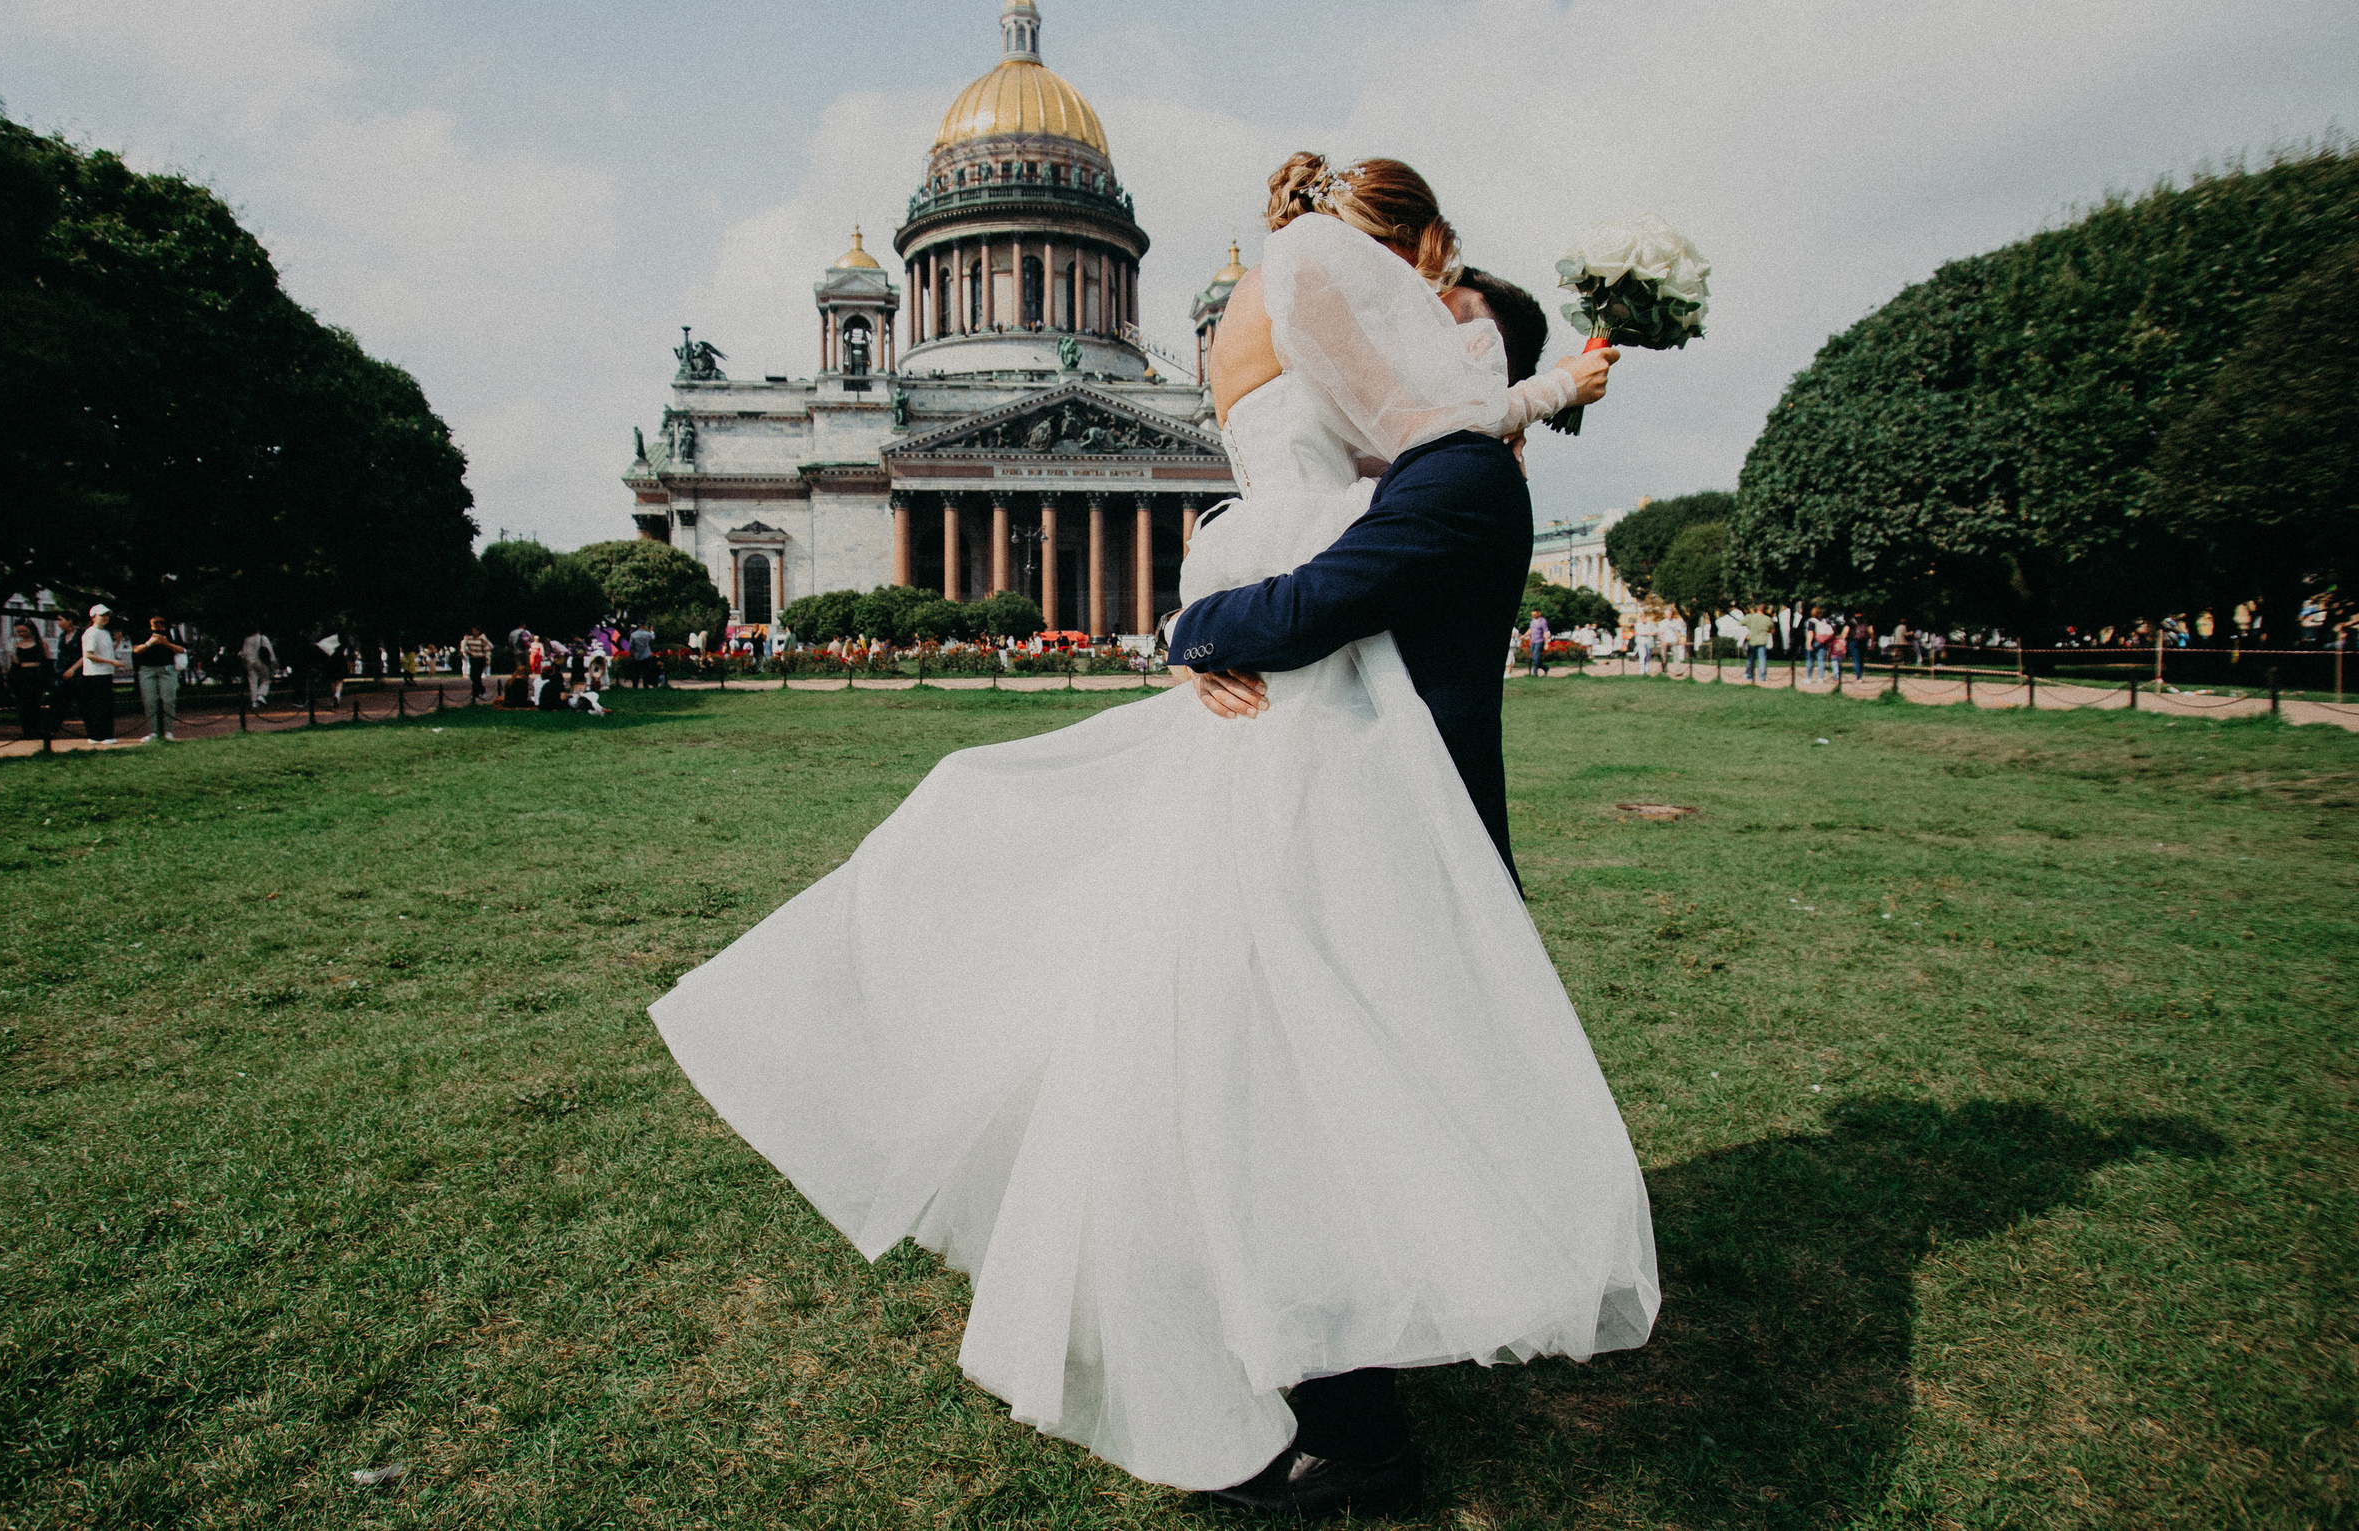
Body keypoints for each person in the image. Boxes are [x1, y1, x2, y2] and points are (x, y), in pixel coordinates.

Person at [652, 153, 1652, 1516]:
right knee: (1249, 1080)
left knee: (1297, 1094)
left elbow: (1304, 600)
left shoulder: (1449, 477)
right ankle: (1321, 1376)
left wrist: (1199, 623)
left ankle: (1355, 1419)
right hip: (1311, 803)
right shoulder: (1401, 466)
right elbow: (1303, 560)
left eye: (1449, 316)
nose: (1420, 324)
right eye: (1420, 302)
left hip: (1369, 826)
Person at [134, 616, 187, 741]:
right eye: (155, 622)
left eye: (161, 622)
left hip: (167, 669)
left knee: (168, 700)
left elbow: (181, 649)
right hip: (147, 669)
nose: (159, 624)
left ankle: (168, 731)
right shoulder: (142, 631)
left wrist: (166, 643)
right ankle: (154, 731)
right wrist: (149, 643)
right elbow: (136, 649)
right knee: (150, 700)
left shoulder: (171, 631)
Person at [4, 621, 55, 750]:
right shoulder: (17, 644)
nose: (22, 634)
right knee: (23, 705)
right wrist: (10, 679)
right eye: (19, 632)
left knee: (35, 703)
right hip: (22, 677)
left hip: (36, 676)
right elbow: (15, 664)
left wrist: (48, 680)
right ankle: (27, 731)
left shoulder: (41, 644)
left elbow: (47, 661)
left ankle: (37, 730)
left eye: (24, 631)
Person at [75, 604, 121, 745]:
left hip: (105, 673)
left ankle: (104, 734)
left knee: (105, 705)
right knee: (97, 706)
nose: (105, 618)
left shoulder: (104, 633)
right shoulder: (91, 633)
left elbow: (106, 650)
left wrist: (117, 641)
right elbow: (89, 655)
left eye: (107, 615)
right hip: (94, 674)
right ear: (94, 617)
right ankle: (97, 735)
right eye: (102, 615)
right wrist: (112, 662)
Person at [240, 629, 276, 707]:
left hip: (249, 663)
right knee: (266, 679)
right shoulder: (262, 638)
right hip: (261, 662)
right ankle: (261, 695)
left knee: (253, 681)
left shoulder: (247, 640)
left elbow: (243, 653)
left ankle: (254, 701)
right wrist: (273, 661)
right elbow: (269, 650)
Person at [1740, 606, 1775, 683]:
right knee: (1762, 659)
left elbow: (1741, 623)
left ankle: (1749, 675)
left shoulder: (1750, 617)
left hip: (1752, 641)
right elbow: (1772, 630)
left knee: (1750, 659)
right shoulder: (1767, 619)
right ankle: (1762, 677)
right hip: (1762, 641)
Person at [459, 627, 492, 703]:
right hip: (473, 659)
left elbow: (487, 649)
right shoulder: (469, 639)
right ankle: (481, 690)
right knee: (473, 676)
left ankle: (476, 694)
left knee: (477, 676)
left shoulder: (482, 638)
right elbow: (464, 646)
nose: (473, 632)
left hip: (480, 659)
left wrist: (487, 659)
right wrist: (468, 652)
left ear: (478, 631)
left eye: (475, 631)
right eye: (472, 631)